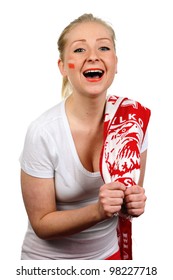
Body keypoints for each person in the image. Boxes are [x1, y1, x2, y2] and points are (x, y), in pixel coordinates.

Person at [20, 13, 150, 260]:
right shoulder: (43, 132)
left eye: (104, 47)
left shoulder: (133, 121)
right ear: (62, 67)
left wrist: (133, 203)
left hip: (109, 256)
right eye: (79, 49)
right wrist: (98, 211)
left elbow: (129, 197)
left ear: (115, 62)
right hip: (48, 264)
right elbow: (41, 224)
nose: (93, 55)